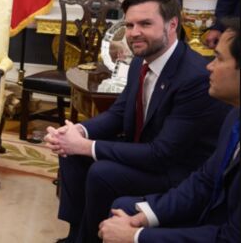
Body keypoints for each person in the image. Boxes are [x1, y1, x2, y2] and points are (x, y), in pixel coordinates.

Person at [45, 0, 231, 243]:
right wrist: (78, 132)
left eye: (145, 24)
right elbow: (120, 112)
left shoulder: (194, 77)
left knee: (102, 172)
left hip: (178, 170)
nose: (134, 33)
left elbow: (162, 154)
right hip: (147, 152)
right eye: (130, 25)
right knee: (71, 155)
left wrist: (87, 146)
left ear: (172, 25)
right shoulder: (139, 62)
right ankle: (76, 233)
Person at [99, 17, 240, 242]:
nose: (209, 66)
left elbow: (231, 237)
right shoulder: (234, 116)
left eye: (219, 58)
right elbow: (204, 181)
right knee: (125, 209)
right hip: (210, 210)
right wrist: (146, 216)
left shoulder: (193, 77)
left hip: (219, 226)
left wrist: (136, 236)